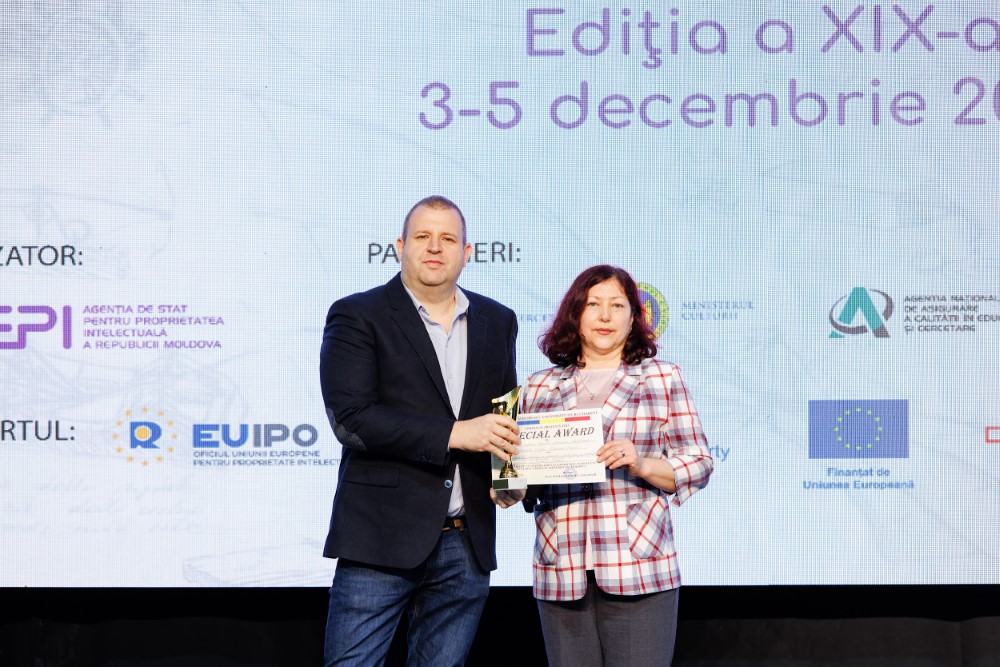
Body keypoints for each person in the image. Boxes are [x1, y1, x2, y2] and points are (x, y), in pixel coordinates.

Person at [319, 195, 521, 666]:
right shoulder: (358, 314)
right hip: (379, 537)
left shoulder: (498, 320)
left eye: (447, 238)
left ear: (466, 252)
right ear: (400, 246)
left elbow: (505, 412)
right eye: (423, 236)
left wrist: (509, 476)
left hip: (466, 542)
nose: (435, 247)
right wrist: (456, 434)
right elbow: (352, 419)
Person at [520, 264, 713, 667]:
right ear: (576, 313)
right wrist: (510, 483)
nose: (605, 316)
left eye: (617, 305)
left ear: (633, 317)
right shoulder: (539, 386)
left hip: (638, 564)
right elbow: (521, 476)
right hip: (562, 567)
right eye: (593, 304)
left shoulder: (661, 378)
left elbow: (698, 463)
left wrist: (642, 463)